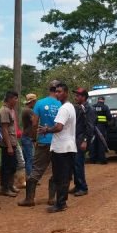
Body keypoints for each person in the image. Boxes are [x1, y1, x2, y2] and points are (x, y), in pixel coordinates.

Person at [18, 80, 60, 207]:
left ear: (49, 89)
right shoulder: (61, 104)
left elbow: (34, 123)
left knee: (36, 169)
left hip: (43, 141)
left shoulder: (40, 103)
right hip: (57, 142)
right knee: (56, 170)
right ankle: (52, 198)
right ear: (58, 90)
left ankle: (29, 199)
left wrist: (34, 138)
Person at [38, 83, 77, 213]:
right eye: (56, 92)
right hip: (68, 146)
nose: (57, 94)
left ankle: (60, 204)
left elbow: (59, 127)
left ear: (66, 92)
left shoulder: (64, 109)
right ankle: (62, 202)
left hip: (61, 148)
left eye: (60, 91)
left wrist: (46, 129)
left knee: (60, 176)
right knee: (64, 176)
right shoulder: (70, 106)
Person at [72, 88, 94, 196]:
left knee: (78, 163)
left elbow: (90, 127)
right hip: (76, 137)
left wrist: (85, 140)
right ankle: (77, 185)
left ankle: (83, 187)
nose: (75, 97)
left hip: (82, 138)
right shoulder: (79, 107)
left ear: (83, 97)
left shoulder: (88, 109)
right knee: (75, 163)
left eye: (78, 96)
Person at [0, 91, 20, 198]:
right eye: (15, 98)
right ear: (10, 99)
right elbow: (4, 129)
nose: (16, 101)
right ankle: (4, 188)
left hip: (12, 142)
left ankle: (10, 185)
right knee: (7, 166)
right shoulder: (4, 111)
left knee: (13, 166)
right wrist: (9, 146)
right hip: (7, 144)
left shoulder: (10, 110)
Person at [90, 96, 112, 164]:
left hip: (93, 127)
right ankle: (102, 160)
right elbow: (109, 117)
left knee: (93, 142)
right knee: (101, 142)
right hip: (101, 127)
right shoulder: (105, 107)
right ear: (104, 100)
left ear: (98, 100)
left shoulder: (92, 107)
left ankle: (93, 159)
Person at [20, 94, 37, 179]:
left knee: (27, 158)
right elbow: (34, 123)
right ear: (32, 101)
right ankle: (30, 177)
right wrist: (35, 137)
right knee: (30, 158)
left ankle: (27, 176)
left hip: (25, 136)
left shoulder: (25, 110)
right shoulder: (29, 111)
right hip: (28, 137)